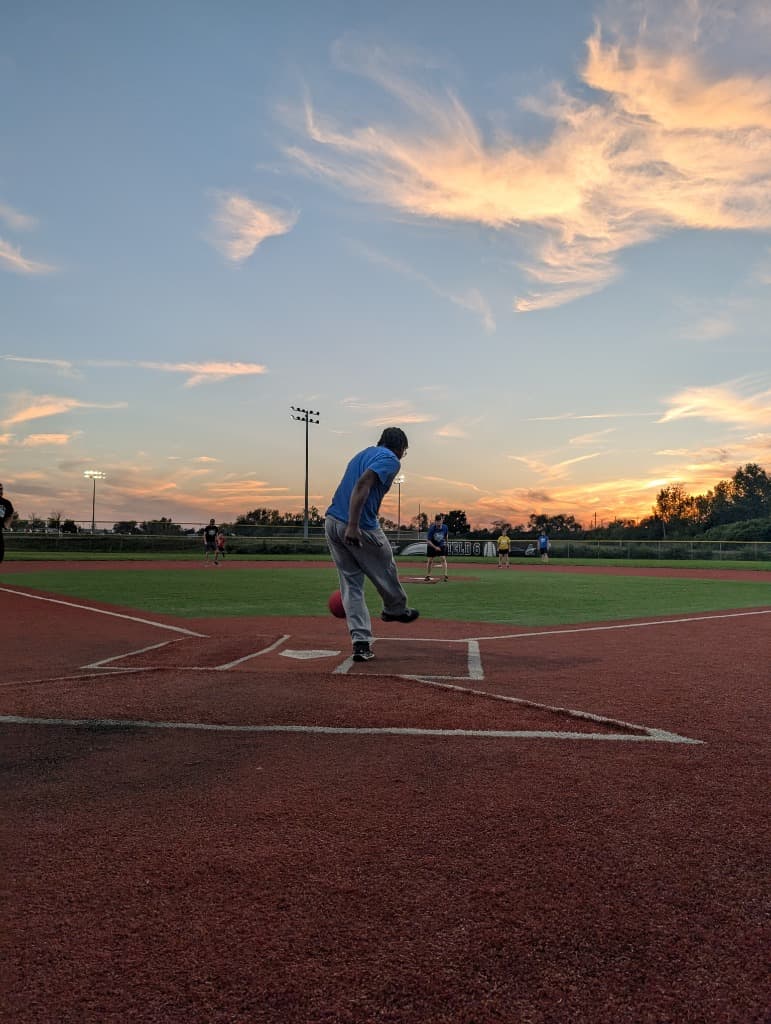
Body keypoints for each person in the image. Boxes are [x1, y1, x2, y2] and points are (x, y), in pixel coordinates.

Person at [325, 428, 419, 662]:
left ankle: (361, 643)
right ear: (399, 448)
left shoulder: (363, 454)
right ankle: (394, 609)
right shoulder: (390, 459)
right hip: (358, 524)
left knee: (351, 584)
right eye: (403, 452)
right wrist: (354, 525)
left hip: (331, 522)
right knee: (385, 564)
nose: (401, 456)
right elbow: (362, 485)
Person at [425, 513, 449, 581]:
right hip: (432, 544)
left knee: (443, 558)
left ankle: (445, 575)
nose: (439, 522)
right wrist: (435, 547)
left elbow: (446, 535)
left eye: (440, 521)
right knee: (430, 561)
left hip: (441, 544)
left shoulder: (445, 527)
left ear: (442, 521)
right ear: (435, 521)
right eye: (437, 521)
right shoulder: (432, 528)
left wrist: (446, 543)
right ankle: (428, 575)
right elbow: (428, 541)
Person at [0, 482, 15, 564]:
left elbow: (11, 514)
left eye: (1, 489)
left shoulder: (6, 503)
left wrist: (7, 524)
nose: (0, 491)